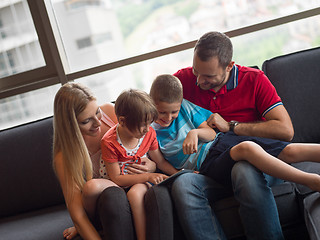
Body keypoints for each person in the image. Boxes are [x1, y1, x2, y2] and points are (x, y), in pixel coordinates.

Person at [150, 74, 320, 238]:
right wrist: (179, 173)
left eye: (174, 112)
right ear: (152, 104)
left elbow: (210, 132)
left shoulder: (184, 107)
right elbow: (160, 161)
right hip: (209, 163)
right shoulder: (148, 130)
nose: (169, 117)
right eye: (162, 112)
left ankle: (312, 179)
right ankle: (310, 180)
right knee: (246, 148)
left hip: (222, 142)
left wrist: (194, 133)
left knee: (288, 151)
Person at [168, 31, 295, 240]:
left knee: (243, 170)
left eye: (208, 76)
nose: (199, 81)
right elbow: (151, 110)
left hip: (257, 163)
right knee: (183, 184)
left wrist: (232, 126)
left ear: (229, 66)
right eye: (196, 71)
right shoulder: (183, 80)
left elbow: (285, 130)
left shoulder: (254, 80)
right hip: (210, 169)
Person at [52, 82, 157, 240]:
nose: (97, 123)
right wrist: (82, 227)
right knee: (109, 195)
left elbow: (140, 144)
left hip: (132, 186)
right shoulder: (64, 156)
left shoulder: (110, 112)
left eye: (97, 112)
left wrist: (151, 165)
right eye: (86, 121)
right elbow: (78, 214)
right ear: (70, 124)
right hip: (104, 204)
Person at [101, 89, 178, 240]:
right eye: (142, 125)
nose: (146, 129)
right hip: (117, 183)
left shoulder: (148, 133)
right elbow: (116, 178)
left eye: (149, 123)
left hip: (139, 179)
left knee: (135, 195)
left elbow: (160, 161)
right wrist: (149, 175)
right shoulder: (109, 141)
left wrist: (178, 173)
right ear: (122, 121)